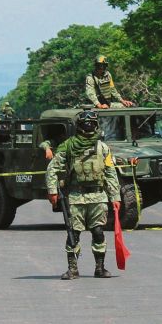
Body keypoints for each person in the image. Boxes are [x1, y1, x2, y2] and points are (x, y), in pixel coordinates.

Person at [46, 110, 121, 280]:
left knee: (99, 232)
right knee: (74, 234)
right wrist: (52, 191)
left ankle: (100, 268)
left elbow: (110, 173)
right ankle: (73, 269)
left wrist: (115, 197)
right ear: (78, 126)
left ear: (96, 125)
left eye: (92, 123)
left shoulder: (103, 148)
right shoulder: (68, 146)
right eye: (85, 123)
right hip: (76, 197)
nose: (88, 126)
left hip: (98, 197)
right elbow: (53, 168)